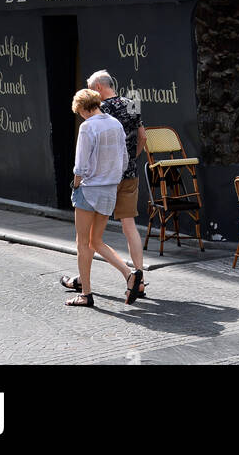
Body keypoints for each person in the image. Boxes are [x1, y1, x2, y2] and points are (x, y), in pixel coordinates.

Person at [61, 88, 144, 309]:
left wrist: (76, 184)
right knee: (96, 241)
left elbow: (80, 165)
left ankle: (86, 294)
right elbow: (124, 158)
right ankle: (129, 274)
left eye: (79, 112)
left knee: (82, 244)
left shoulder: (87, 127)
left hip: (90, 189)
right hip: (110, 190)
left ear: (82, 109)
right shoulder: (115, 124)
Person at [86, 70, 149, 298]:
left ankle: (86, 283)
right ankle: (139, 277)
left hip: (107, 177)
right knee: (129, 225)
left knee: (91, 234)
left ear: (99, 88)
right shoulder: (132, 103)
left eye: (92, 90)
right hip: (130, 173)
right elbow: (142, 136)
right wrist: (133, 158)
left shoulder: (101, 109)